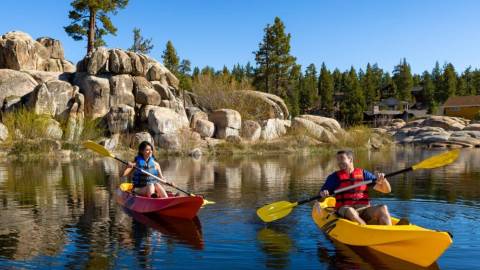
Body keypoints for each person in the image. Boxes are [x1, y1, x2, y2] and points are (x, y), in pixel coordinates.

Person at [319, 150, 394, 225]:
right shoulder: (334, 177)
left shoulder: (364, 174)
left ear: (350, 159)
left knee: (383, 208)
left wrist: (384, 180)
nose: (339, 162)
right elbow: (321, 197)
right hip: (344, 210)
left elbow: (386, 190)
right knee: (351, 211)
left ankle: (390, 232)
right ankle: (366, 230)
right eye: (338, 159)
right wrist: (323, 194)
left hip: (364, 209)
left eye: (342, 158)